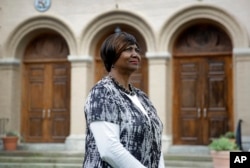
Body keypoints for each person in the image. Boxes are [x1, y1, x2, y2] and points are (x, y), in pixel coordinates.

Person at [83, 31, 164, 168]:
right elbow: (110, 150)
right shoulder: (102, 92)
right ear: (112, 57)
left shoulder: (142, 98)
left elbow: (155, 144)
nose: (135, 54)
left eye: (136, 50)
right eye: (128, 49)